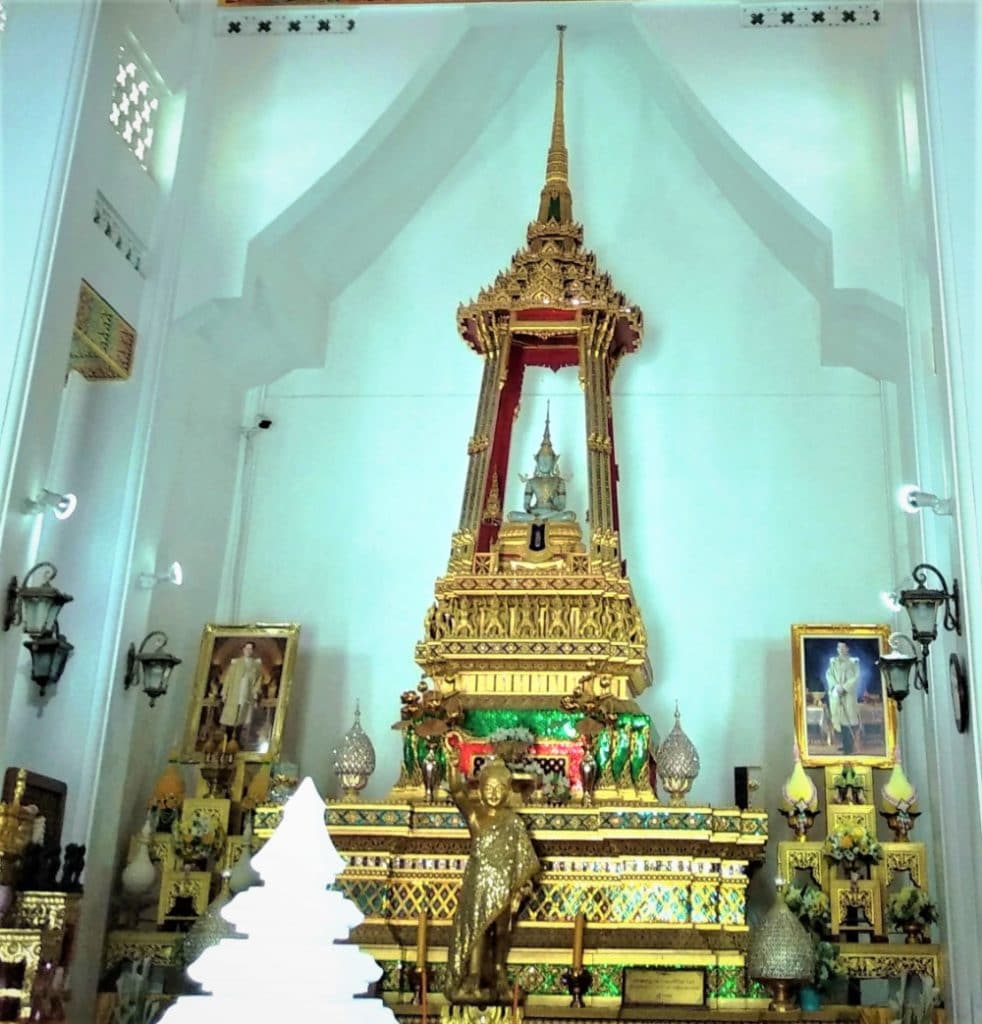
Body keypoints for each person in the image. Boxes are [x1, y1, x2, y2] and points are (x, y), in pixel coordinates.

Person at [445, 747, 539, 1004]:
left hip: (505, 886)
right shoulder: (476, 816)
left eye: (499, 788)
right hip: (480, 886)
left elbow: (524, 857)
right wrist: (453, 766)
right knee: (478, 931)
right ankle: (473, 977)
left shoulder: (513, 822)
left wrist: (523, 885)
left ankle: (499, 973)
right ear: (481, 790)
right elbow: (456, 792)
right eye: (489, 788)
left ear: (508, 790)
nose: (494, 794)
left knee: (501, 931)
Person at [218, 641, 265, 741]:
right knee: (231, 716)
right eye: (247, 648)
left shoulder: (256, 665)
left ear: (253, 651)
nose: (248, 650)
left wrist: (255, 692)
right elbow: (229, 678)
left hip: (246, 693)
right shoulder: (236, 663)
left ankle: (236, 741)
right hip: (234, 693)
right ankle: (227, 739)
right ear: (243, 649)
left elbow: (259, 680)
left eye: (251, 649)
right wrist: (224, 692)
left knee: (242, 717)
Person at [826, 641, 861, 753]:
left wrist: (844, 687)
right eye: (838, 647)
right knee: (839, 720)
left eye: (842, 647)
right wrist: (836, 687)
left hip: (848, 695)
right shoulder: (833, 662)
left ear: (847, 649)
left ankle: (849, 747)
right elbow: (829, 675)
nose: (840, 649)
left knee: (848, 720)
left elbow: (856, 677)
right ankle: (844, 744)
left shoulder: (853, 662)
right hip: (837, 694)